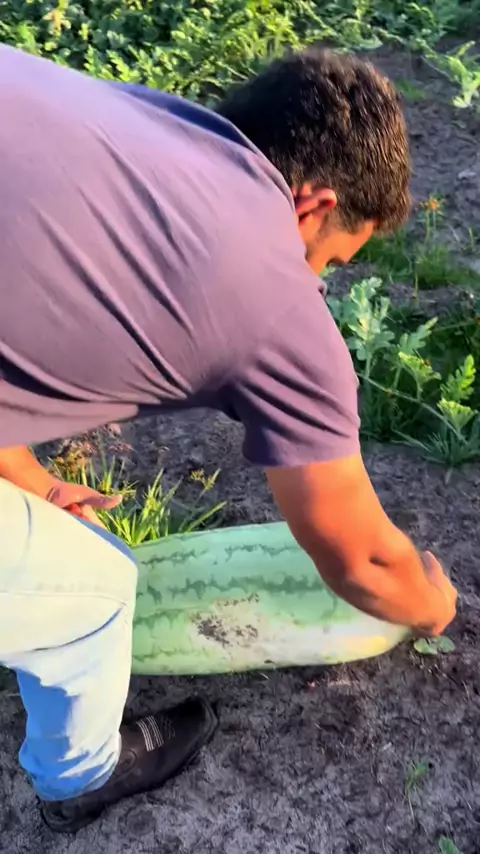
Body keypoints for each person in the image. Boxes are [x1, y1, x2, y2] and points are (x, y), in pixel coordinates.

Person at [0, 43, 457, 833]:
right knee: (96, 588)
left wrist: (28, 479)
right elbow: (360, 560)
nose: (317, 283)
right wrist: (427, 605)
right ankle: (79, 775)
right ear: (313, 206)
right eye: (329, 260)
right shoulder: (277, 302)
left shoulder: (144, 119)